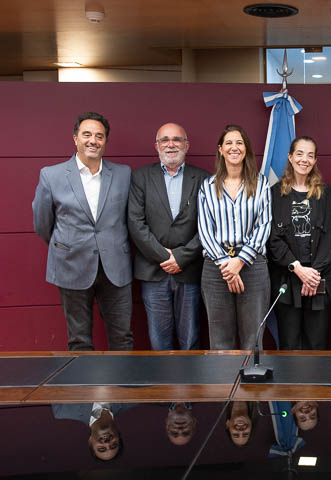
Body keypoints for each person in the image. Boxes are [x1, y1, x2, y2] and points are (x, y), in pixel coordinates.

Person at [32, 112, 133, 351]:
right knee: (79, 340)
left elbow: (131, 219)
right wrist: (66, 245)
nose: (93, 141)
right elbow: (42, 223)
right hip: (71, 265)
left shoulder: (123, 174)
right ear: (75, 138)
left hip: (115, 268)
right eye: (87, 134)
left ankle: (125, 378)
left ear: (105, 141)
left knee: (122, 338)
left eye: (99, 136)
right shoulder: (51, 175)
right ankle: (84, 379)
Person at [128, 123, 209, 350]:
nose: (171, 144)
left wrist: (181, 257)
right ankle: (162, 375)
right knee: (159, 342)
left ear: (186, 145)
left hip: (189, 270)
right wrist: (165, 257)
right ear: (157, 146)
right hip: (153, 270)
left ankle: (189, 376)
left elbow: (209, 226)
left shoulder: (203, 179)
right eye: (164, 140)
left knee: (190, 340)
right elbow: (135, 223)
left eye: (177, 139)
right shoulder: (140, 177)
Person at [197, 124, 272, 350]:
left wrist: (239, 262)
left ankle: (252, 375)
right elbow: (205, 230)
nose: (234, 147)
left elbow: (264, 225)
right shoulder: (207, 187)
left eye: (239, 143)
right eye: (228, 143)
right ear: (220, 149)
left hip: (252, 266)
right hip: (216, 268)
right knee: (220, 339)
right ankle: (223, 375)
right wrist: (227, 266)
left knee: (253, 337)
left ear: (246, 149)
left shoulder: (261, 184)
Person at [267, 136, 331, 350]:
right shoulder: (275, 193)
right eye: (299, 154)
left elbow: (330, 238)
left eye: (310, 155)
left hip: (318, 279)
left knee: (316, 344)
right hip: (287, 278)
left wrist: (312, 275)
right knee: (289, 345)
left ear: (315, 160)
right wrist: (298, 269)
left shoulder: (325, 194)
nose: (304, 159)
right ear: (290, 157)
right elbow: (273, 239)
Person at [52, 402, 134, 461]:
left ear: (90, 441)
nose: (107, 443)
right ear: (118, 436)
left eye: (101, 448)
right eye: (113, 445)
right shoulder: (132, 401)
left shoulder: (62, 410)